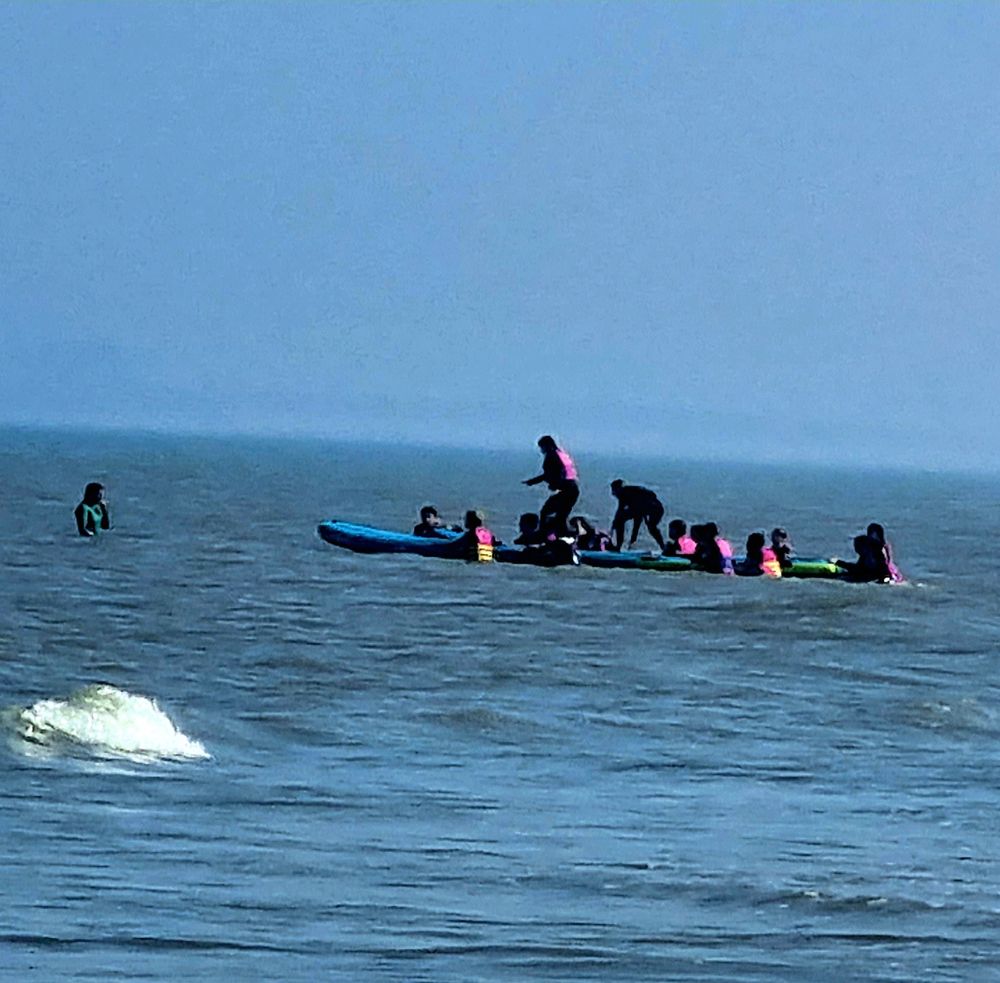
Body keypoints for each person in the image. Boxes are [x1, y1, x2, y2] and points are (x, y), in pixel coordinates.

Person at [523, 435, 579, 537]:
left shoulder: (552, 456)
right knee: (560, 516)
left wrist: (533, 481)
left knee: (546, 511)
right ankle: (564, 535)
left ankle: (542, 535)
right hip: (573, 489)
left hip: (567, 490)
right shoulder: (561, 453)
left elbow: (550, 474)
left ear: (547, 446)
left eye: (542, 447)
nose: (541, 450)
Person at [609, 480, 667, 552]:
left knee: (652, 527)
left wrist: (633, 539)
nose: (613, 494)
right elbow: (620, 512)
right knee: (619, 521)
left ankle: (663, 548)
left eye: (614, 491)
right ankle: (618, 546)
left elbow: (638, 518)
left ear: (619, 489)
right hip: (647, 508)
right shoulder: (624, 495)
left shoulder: (629, 494)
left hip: (656, 509)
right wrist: (613, 525)